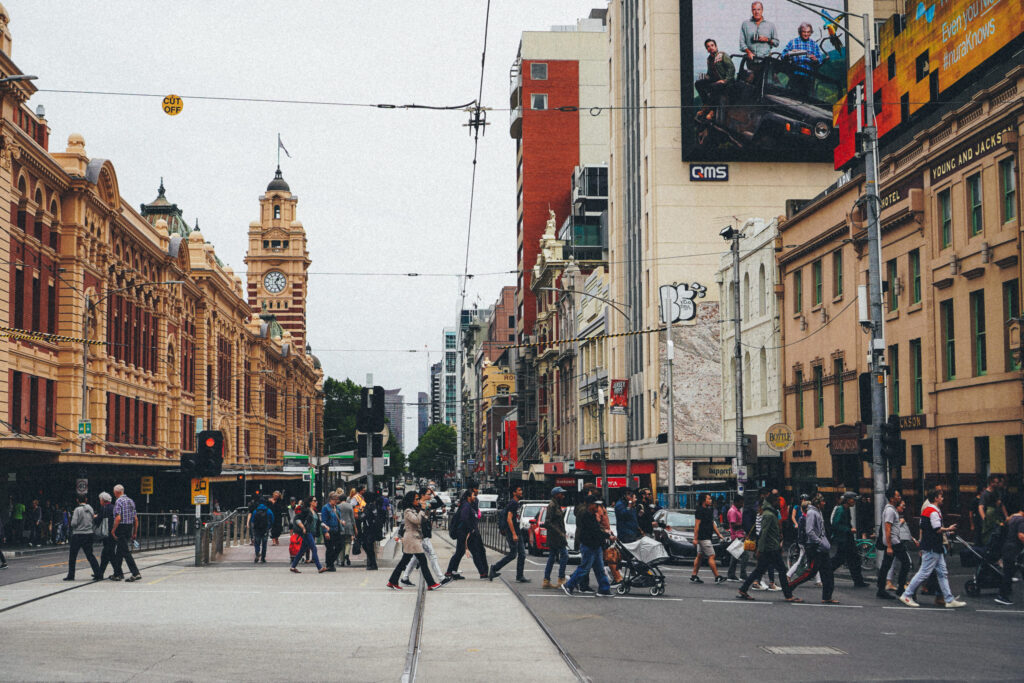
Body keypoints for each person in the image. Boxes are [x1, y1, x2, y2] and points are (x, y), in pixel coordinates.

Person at [899, 488, 966, 608]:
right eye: (941, 496)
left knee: (942, 573)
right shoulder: (933, 511)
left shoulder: (928, 510)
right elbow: (937, 529)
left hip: (932, 546)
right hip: (932, 547)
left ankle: (949, 599)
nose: (942, 498)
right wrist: (949, 529)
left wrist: (946, 532)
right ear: (935, 498)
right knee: (924, 572)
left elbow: (927, 528)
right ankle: (907, 595)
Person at [737, 492, 801, 602]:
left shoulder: (771, 513)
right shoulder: (768, 515)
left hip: (770, 547)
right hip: (770, 548)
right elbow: (764, 533)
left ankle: (743, 589)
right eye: (778, 501)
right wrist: (760, 550)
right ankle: (788, 595)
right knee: (781, 570)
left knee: (759, 570)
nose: (779, 504)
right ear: (773, 502)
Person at [387, 491, 441, 590]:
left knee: (404, 562)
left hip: (415, 538)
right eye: (416, 499)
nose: (418, 501)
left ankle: (392, 581)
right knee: (423, 561)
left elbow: (423, 519)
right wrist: (422, 510)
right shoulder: (408, 511)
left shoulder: (414, 509)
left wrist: (426, 510)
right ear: (411, 500)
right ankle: (431, 583)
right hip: (412, 539)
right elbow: (416, 520)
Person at [788, 494, 836, 603]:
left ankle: (827, 597)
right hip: (815, 548)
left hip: (822, 549)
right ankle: (789, 586)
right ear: (819, 503)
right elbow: (809, 531)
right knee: (810, 572)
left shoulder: (818, 512)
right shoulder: (811, 513)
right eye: (823, 501)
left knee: (828, 572)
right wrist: (820, 542)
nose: (825, 503)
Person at [562, 495, 613, 597]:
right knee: (585, 568)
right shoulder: (586, 515)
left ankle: (604, 589)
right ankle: (569, 585)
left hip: (595, 545)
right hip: (588, 545)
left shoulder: (592, 515)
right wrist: (608, 536)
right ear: (590, 505)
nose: (597, 507)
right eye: (596, 505)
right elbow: (594, 531)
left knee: (600, 569)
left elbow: (597, 531)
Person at [445, 486, 490, 582]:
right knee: (475, 552)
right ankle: (483, 573)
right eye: (473, 495)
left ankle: (450, 571)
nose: (475, 497)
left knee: (459, 553)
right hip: (465, 533)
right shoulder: (466, 505)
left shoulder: (467, 504)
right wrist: (471, 529)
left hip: (465, 533)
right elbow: (464, 518)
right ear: (469, 496)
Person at [401, 487, 444, 586]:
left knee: (415, 558)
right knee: (430, 556)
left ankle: (405, 577)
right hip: (419, 534)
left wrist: (434, 494)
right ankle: (440, 578)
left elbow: (440, 503)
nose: (430, 496)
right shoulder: (415, 505)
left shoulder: (428, 504)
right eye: (429, 494)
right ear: (422, 495)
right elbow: (411, 520)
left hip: (424, 533)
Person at [490, 484, 529, 583]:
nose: (521, 492)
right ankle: (494, 568)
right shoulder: (513, 503)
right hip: (513, 532)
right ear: (514, 493)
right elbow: (509, 519)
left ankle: (519, 576)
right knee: (513, 554)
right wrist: (514, 534)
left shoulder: (515, 503)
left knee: (522, 554)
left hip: (516, 531)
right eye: (519, 490)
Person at [830, 491, 868, 587]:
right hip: (843, 539)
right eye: (853, 499)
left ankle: (858, 581)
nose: (854, 501)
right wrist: (849, 529)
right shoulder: (841, 510)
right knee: (840, 559)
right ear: (847, 500)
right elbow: (835, 524)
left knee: (853, 559)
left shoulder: (846, 509)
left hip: (847, 538)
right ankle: (825, 572)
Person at [64, 493, 102, 581]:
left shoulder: (77, 510)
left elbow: (73, 523)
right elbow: (93, 519)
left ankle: (71, 575)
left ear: (77, 500)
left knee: (73, 556)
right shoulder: (90, 509)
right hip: (89, 534)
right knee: (90, 555)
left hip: (78, 534)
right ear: (86, 499)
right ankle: (98, 573)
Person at [695, 38, 735, 120]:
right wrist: (705, 77)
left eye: (712, 45)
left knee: (713, 87)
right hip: (715, 81)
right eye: (708, 46)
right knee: (698, 83)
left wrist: (725, 80)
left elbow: (731, 69)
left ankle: (713, 110)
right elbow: (710, 74)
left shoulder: (722, 55)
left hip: (727, 82)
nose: (710, 48)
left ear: (716, 46)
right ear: (707, 49)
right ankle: (706, 105)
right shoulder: (709, 59)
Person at [875, 486, 903, 600]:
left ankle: (881, 589)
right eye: (897, 496)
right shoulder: (890, 511)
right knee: (905, 563)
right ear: (892, 498)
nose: (899, 497)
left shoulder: (891, 509)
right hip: (894, 543)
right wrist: (889, 546)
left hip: (893, 542)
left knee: (885, 566)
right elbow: (887, 529)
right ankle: (901, 588)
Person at [691, 492, 726, 584]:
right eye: (709, 499)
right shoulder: (699, 510)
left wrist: (718, 534)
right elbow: (697, 525)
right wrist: (695, 538)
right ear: (704, 500)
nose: (710, 500)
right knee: (712, 556)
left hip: (706, 536)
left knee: (699, 555)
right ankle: (717, 577)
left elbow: (712, 524)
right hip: (703, 537)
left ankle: (694, 575)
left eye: (710, 499)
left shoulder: (709, 510)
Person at [995, 501, 1024, 605]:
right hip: (1014, 550)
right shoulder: (1021, 520)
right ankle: (1002, 595)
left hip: (1007, 548)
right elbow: (1021, 535)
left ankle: (1003, 594)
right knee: (1009, 573)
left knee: (1009, 572)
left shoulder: (1012, 518)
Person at [110, 485, 141, 582]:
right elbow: (136, 519)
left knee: (125, 552)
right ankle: (117, 574)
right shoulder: (131, 501)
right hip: (129, 528)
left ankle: (135, 573)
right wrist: (135, 532)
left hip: (121, 528)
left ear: (116, 492)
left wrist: (113, 530)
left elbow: (118, 518)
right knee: (119, 551)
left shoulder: (118, 501)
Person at [884, 499, 916, 593]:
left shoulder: (897, 516)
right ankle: (901, 585)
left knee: (890, 563)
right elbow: (891, 530)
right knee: (907, 562)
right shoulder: (894, 515)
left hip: (897, 542)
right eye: (902, 505)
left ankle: (889, 583)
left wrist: (912, 538)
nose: (904, 507)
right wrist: (889, 546)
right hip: (897, 542)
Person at [289, 497, 326, 574]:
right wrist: (302, 527)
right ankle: (319, 567)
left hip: (311, 533)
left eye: (316, 500)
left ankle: (293, 566)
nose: (316, 502)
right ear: (310, 502)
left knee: (302, 550)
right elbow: (297, 519)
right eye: (314, 501)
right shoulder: (306, 511)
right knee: (314, 548)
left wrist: (324, 525)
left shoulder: (315, 512)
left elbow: (318, 522)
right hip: (307, 532)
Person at [542, 487, 569, 589]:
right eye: (561, 494)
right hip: (555, 537)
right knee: (564, 555)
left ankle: (546, 580)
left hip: (558, 536)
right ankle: (561, 578)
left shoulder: (557, 505)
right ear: (556, 495)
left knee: (552, 557)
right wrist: (560, 533)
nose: (563, 496)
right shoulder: (552, 505)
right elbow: (548, 522)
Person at [786, 495, 812, 583]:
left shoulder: (808, 512)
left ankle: (818, 580)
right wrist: (796, 524)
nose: (804, 501)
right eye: (803, 499)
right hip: (798, 527)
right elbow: (793, 516)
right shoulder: (797, 508)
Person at [979, 473, 1009, 549]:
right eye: (995, 482)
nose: (997, 484)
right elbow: (981, 507)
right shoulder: (985, 494)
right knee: (990, 536)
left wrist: (1006, 516)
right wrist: (984, 519)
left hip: (997, 517)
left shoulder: (997, 492)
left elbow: (1002, 505)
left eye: (998, 482)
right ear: (991, 483)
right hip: (990, 518)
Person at [359, 491, 385, 571]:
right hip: (373, 529)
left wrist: (360, 514)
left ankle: (373, 564)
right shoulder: (373, 506)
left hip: (369, 529)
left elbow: (364, 516)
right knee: (368, 546)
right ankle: (372, 563)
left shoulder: (369, 506)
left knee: (367, 546)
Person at [95, 492, 116, 580]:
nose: (100, 501)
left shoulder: (104, 508)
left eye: (100, 500)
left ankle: (118, 572)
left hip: (107, 534)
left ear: (103, 500)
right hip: (113, 533)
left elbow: (98, 520)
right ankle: (100, 573)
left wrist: (95, 517)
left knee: (109, 554)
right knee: (107, 554)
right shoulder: (113, 507)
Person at [726, 497, 746, 581]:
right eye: (741, 503)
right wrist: (744, 524)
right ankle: (742, 574)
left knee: (735, 556)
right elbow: (733, 525)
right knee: (745, 555)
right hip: (737, 536)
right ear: (736, 502)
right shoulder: (733, 511)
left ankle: (731, 574)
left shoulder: (737, 510)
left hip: (740, 535)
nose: (742, 504)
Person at [320, 493, 341, 571]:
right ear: (331, 499)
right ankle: (330, 564)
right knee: (330, 548)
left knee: (339, 546)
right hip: (329, 530)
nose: (336, 501)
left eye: (337, 500)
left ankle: (330, 562)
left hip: (336, 529)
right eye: (335, 499)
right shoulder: (325, 508)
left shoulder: (337, 508)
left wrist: (341, 523)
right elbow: (324, 521)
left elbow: (339, 518)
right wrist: (325, 532)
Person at [250, 495, 274, 564]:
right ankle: (263, 558)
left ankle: (257, 552)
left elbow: (252, 520)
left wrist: (253, 528)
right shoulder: (268, 510)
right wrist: (269, 526)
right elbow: (272, 519)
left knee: (257, 542)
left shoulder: (255, 510)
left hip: (257, 529)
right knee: (264, 543)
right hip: (265, 529)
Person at [337, 491, 357, 566]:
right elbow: (352, 518)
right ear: (346, 499)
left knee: (341, 543)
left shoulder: (338, 506)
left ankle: (342, 561)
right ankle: (347, 554)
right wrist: (355, 528)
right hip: (349, 525)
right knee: (348, 542)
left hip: (341, 526)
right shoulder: (349, 506)